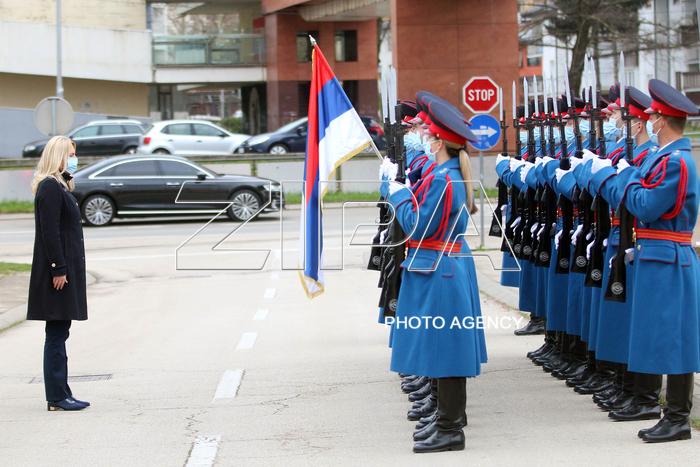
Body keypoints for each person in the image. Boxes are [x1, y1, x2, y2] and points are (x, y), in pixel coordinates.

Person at [588, 79, 700, 442]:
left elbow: (646, 205)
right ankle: (666, 412)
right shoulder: (663, 158)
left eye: (652, 117)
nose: (649, 122)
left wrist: (619, 178)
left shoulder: (676, 163)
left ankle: (678, 417)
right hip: (656, 255)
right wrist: (627, 178)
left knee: (675, 339)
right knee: (655, 335)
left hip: (669, 259)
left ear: (662, 120)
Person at [381, 99, 487, 453]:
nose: (423, 137)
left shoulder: (445, 179)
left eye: (427, 133)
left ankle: (450, 428)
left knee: (447, 351)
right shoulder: (445, 175)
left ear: (439, 142)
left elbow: (419, 226)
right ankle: (444, 419)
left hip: (441, 269)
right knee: (440, 348)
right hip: (439, 266)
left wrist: (396, 194)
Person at [27, 136, 90, 411]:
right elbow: (49, 232)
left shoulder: (59, 185)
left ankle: (62, 392)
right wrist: (59, 268)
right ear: (59, 156)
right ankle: (56, 396)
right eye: (71, 155)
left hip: (64, 270)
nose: (75, 159)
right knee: (56, 333)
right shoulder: (50, 187)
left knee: (60, 332)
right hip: (57, 274)